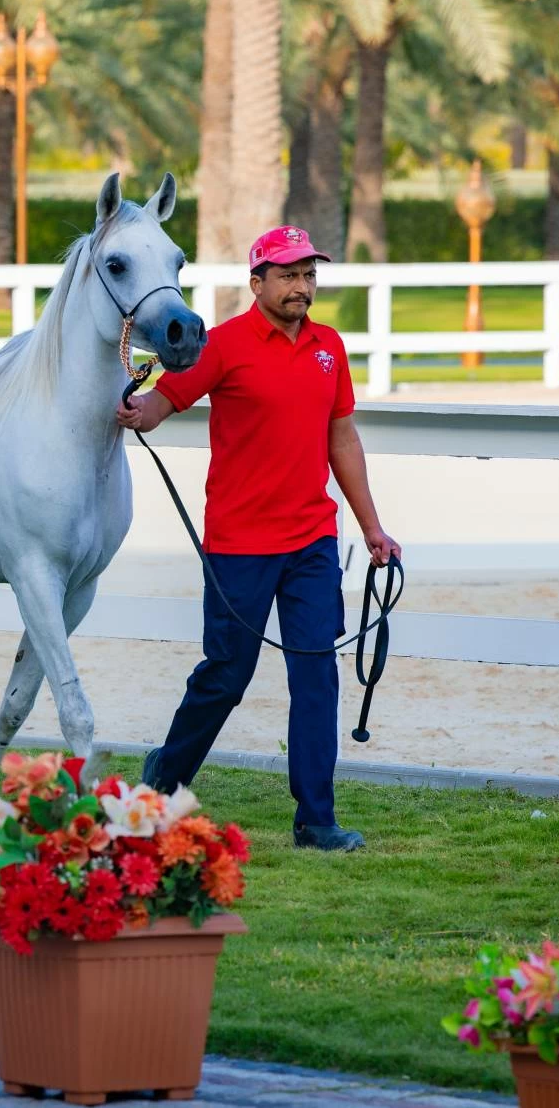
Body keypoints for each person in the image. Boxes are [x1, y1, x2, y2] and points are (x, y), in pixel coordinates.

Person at [116, 224, 400, 852]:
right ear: (257, 282)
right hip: (239, 545)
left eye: (309, 275)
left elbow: (342, 438)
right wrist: (140, 412)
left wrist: (372, 527)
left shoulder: (330, 347)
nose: (302, 286)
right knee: (226, 675)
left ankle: (316, 820)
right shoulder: (224, 344)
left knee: (315, 673)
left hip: (311, 543)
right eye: (289, 275)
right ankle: (164, 780)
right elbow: (166, 398)